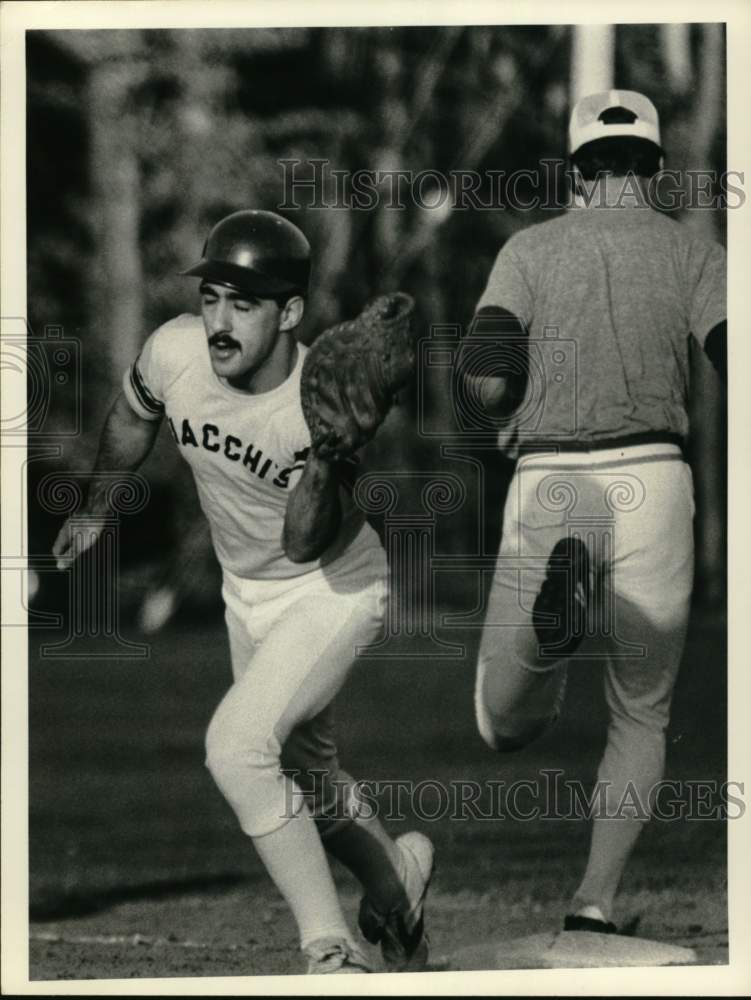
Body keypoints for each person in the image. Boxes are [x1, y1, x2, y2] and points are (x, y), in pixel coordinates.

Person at [52, 209, 433, 974]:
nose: (219, 320)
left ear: (290, 312)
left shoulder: (320, 407)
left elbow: (303, 541)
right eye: (212, 297)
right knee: (310, 787)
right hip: (244, 594)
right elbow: (133, 415)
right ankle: (400, 888)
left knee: (236, 749)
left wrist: (327, 460)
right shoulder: (175, 351)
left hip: (331, 589)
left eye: (245, 303)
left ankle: (329, 945)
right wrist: (97, 504)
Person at [461, 91, 726, 933]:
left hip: (552, 484)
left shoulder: (529, 251)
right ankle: (593, 903)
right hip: (654, 480)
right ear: (656, 167)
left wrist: (509, 407)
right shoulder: (695, 254)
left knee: (500, 723)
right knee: (641, 711)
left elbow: (488, 378)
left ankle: (548, 637)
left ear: (574, 168)